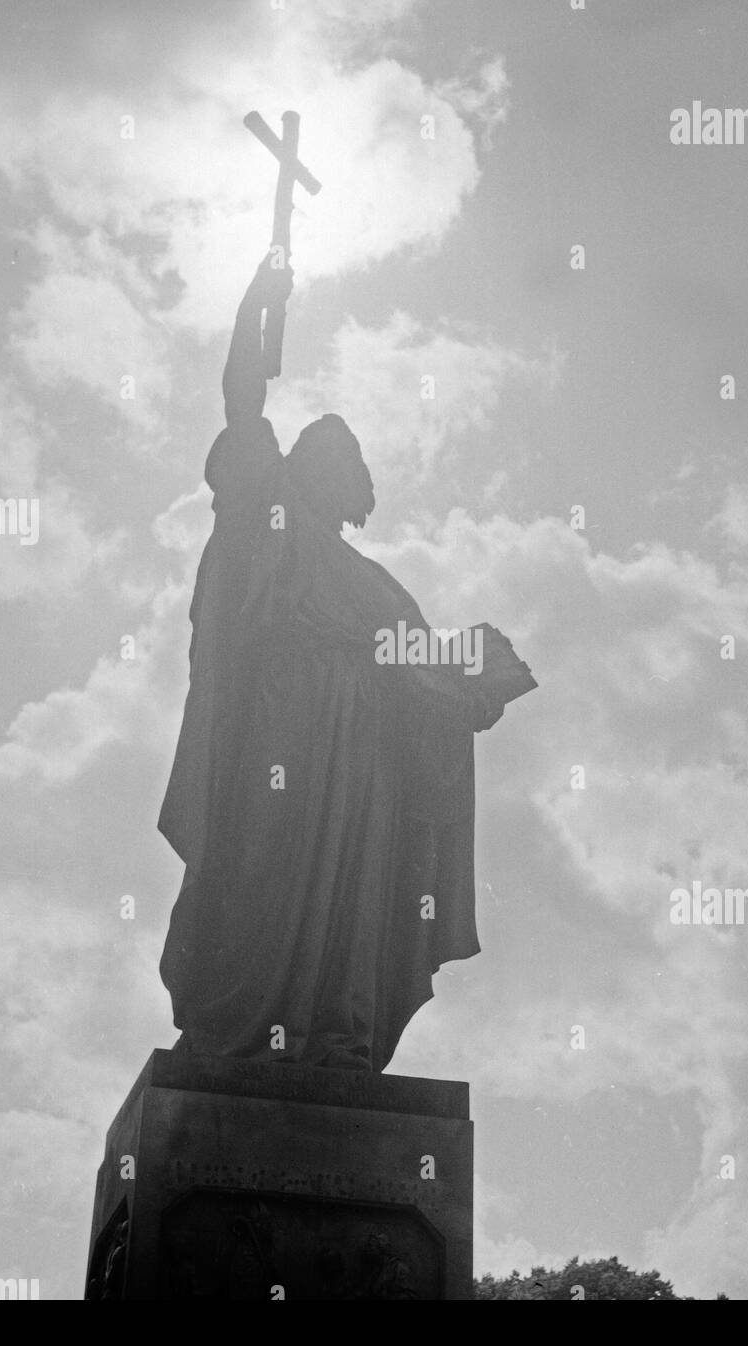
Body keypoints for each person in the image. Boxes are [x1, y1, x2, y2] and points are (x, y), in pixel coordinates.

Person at [157, 254, 503, 1071]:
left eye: (343, 462)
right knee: (261, 874)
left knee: (355, 892)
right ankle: (237, 1029)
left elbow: (425, 671)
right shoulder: (267, 518)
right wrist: (255, 310)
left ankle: (334, 1033)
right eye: (320, 454)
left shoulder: (376, 586)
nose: (330, 468)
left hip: (364, 765)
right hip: (282, 735)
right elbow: (244, 405)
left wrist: (474, 687)